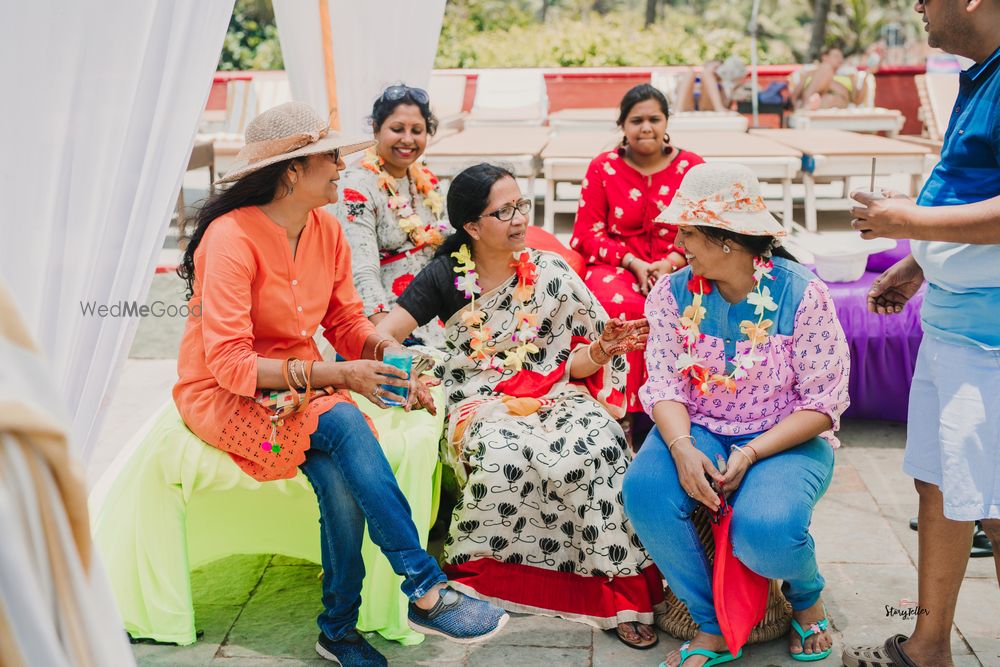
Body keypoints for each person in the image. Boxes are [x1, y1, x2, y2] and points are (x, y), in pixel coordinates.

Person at [172, 102, 507, 667]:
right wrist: (342, 376)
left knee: (337, 475)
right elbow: (231, 365)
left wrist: (398, 360)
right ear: (292, 172)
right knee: (345, 418)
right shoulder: (229, 239)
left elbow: (346, 323)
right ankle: (425, 587)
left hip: (299, 389)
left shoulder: (326, 228)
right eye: (329, 157)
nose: (341, 168)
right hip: (228, 394)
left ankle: (337, 629)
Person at [376, 163, 666, 649]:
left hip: (558, 396)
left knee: (600, 445)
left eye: (520, 206)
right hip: (481, 402)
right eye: (503, 210)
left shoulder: (551, 271)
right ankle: (490, 582)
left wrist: (603, 349)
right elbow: (384, 336)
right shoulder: (444, 276)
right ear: (471, 226)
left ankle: (621, 593)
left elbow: (569, 363)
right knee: (503, 456)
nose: (517, 219)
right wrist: (414, 375)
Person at [622, 163, 851, 667]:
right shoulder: (671, 292)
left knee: (765, 529)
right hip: (697, 427)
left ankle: (807, 595)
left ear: (727, 241)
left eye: (688, 231)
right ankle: (713, 623)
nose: (678, 240)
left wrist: (750, 451)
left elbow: (822, 403)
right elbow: (662, 382)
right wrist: (681, 448)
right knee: (645, 492)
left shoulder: (802, 294)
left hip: (785, 436)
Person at [843, 1, 1000, 665]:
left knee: (993, 500)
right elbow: (972, 191)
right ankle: (927, 646)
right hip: (951, 324)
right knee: (937, 483)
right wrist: (917, 261)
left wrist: (905, 219)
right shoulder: (980, 74)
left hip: (990, 339)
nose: (916, 6)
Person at [570, 84, 705, 424]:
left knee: (687, 302)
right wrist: (633, 262)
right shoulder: (603, 168)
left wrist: (672, 261)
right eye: (637, 120)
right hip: (616, 262)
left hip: (682, 260)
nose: (646, 127)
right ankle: (620, 412)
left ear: (666, 122)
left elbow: (704, 225)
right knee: (617, 306)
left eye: (654, 119)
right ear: (623, 125)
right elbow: (586, 233)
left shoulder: (693, 167)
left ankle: (680, 408)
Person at [335, 84, 450, 348]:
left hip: (435, 316)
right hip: (384, 319)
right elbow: (361, 273)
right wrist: (388, 339)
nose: (408, 139)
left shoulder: (426, 181)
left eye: (417, 131)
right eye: (397, 129)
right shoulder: (356, 188)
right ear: (376, 129)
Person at [791, 46, 867, 110]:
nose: (840, 59)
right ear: (825, 57)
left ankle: (807, 106)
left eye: (841, 57)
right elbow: (795, 95)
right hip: (812, 98)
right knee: (826, 68)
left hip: (836, 99)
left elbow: (857, 101)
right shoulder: (810, 72)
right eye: (836, 56)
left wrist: (866, 77)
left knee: (829, 99)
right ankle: (808, 104)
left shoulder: (849, 76)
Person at [673, 57, 748, 113]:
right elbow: (677, 91)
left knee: (706, 73)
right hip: (688, 105)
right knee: (690, 71)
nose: (714, 70)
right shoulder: (696, 77)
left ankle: (719, 108)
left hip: (709, 106)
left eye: (717, 67)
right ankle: (678, 109)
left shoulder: (721, 83)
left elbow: (726, 102)